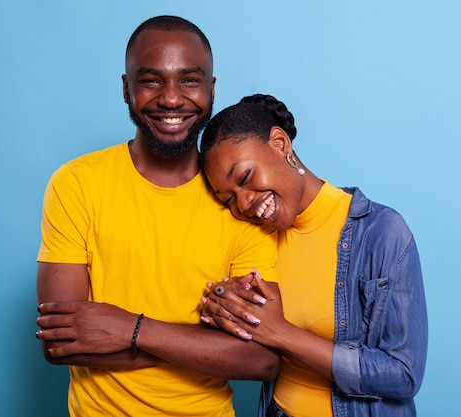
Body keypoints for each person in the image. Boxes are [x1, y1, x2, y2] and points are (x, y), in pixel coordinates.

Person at [34, 17, 280, 417]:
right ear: (126, 89)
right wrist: (206, 344)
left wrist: (130, 329)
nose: (170, 99)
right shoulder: (76, 183)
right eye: (150, 80)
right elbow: (61, 344)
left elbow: (261, 358)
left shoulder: (241, 198)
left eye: (189, 80)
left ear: (211, 89)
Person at [198, 94, 428, 417]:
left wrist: (282, 333)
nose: (244, 203)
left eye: (246, 178)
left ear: (280, 144)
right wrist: (222, 307)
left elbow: (404, 374)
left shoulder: (382, 233)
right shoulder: (257, 243)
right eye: (229, 199)